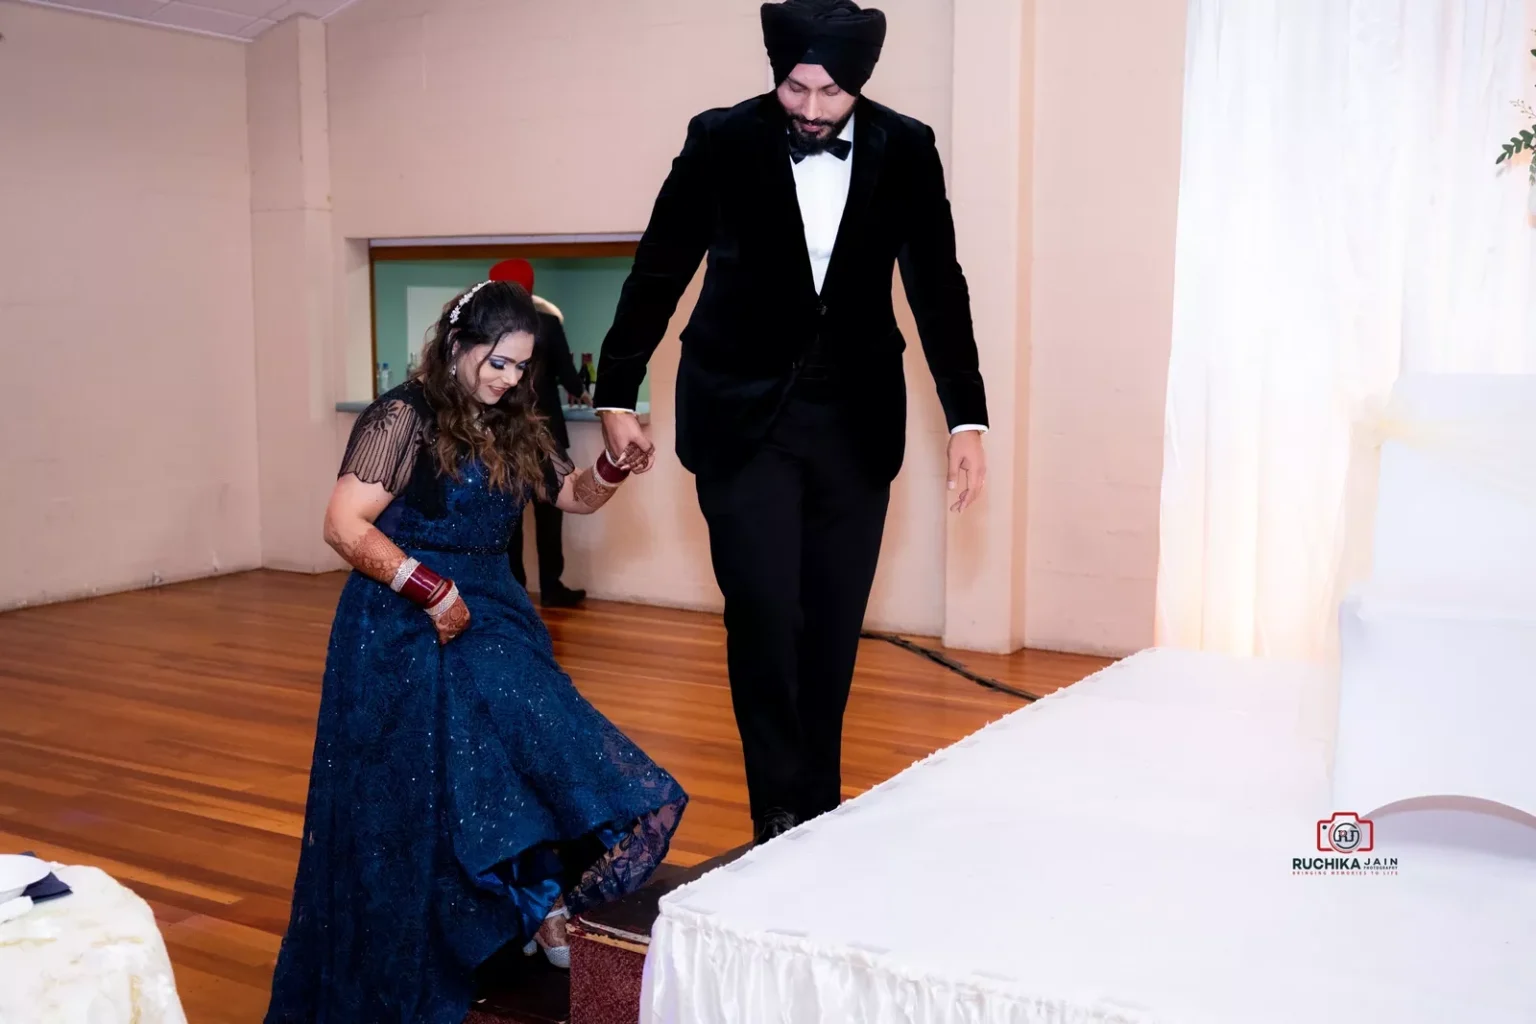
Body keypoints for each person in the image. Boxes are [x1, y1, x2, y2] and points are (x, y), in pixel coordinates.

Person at [593, 0, 988, 847]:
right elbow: (659, 265)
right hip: (743, 417)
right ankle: (777, 808)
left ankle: (819, 805)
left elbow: (937, 285)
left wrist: (967, 416)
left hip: (854, 420)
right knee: (766, 616)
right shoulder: (721, 138)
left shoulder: (906, 147)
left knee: (833, 622)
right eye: (795, 88)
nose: (810, 110)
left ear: (862, 85)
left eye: (830, 93)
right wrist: (616, 390)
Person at [265, 281, 686, 1024]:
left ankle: (534, 900)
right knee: (467, 755)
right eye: (498, 363)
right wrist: (429, 588)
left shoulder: (517, 421)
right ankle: (522, 908)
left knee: (540, 734)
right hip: (402, 617)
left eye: (522, 367)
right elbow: (343, 524)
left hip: (491, 606)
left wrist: (617, 464)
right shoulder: (403, 415)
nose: (510, 379)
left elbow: (573, 497)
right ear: (457, 346)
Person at [489, 259, 591, 608]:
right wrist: (584, 391)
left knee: (508, 515)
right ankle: (552, 586)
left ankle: (514, 590)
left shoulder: (487, 328)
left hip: (502, 433)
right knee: (550, 512)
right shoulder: (546, 324)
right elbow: (567, 374)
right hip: (545, 431)